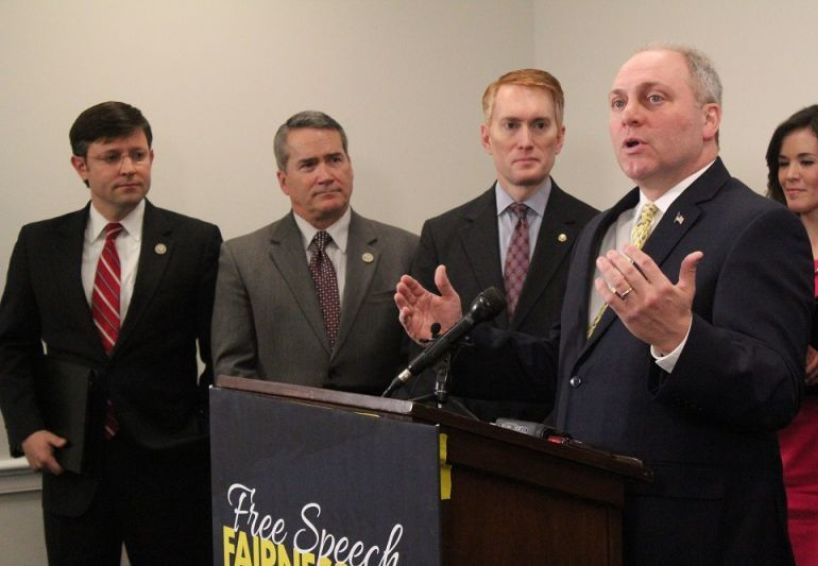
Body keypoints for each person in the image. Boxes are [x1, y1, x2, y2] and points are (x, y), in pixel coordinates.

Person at [395, 45, 813, 564]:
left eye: (653, 98)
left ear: (710, 119)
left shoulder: (758, 225)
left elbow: (775, 390)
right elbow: (564, 368)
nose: (629, 115)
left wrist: (680, 339)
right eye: (617, 103)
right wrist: (458, 336)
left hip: (693, 534)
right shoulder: (601, 230)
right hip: (588, 520)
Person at [0, 101, 221, 564]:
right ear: (80, 165)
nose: (129, 167)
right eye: (112, 156)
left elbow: (220, 352)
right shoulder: (39, 243)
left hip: (171, 466)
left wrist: (200, 426)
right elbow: (12, 346)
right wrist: (28, 428)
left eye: (138, 155)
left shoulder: (197, 242)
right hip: (73, 463)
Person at [406, 69, 597, 421]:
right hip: (467, 439)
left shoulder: (595, 232)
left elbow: (589, 361)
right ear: (485, 137)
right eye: (511, 125)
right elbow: (420, 368)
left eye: (540, 125)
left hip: (562, 442)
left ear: (560, 137)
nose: (525, 140)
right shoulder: (441, 234)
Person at [212, 111, 418, 394]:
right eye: (309, 165)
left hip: (381, 430)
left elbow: (417, 360)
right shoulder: (242, 259)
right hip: (282, 431)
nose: (326, 176)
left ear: (350, 166)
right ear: (283, 181)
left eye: (335, 160)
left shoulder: (404, 250)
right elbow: (233, 372)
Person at [766, 104, 818, 566]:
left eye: (805, 161)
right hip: (770, 466)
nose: (790, 175)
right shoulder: (756, 255)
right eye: (782, 163)